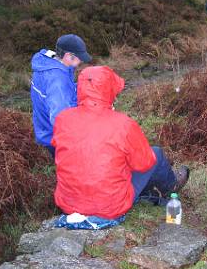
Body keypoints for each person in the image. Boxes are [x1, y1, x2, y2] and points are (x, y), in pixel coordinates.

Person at [52, 66, 190, 220]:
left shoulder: (62, 119)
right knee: (155, 153)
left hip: (68, 205)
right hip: (110, 206)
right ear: (109, 91)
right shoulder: (123, 124)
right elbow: (144, 163)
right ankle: (172, 187)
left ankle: (158, 189)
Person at [30, 34, 92, 158]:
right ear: (69, 56)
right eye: (79, 58)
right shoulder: (58, 81)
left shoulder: (48, 64)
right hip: (54, 138)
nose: (81, 62)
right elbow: (62, 120)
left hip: (43, 128)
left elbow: (59, 94)